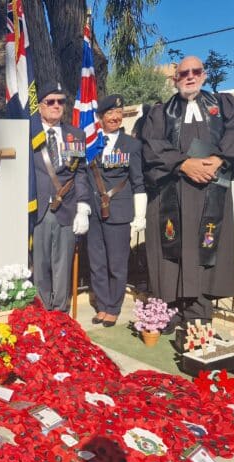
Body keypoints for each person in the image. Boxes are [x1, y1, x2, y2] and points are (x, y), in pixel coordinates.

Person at [141, 56, 234, 336]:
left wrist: (218, 160)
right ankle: (172, 310)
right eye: (183, 73)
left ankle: (200, 313)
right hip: (174, 191)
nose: (190, 77)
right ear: (175, 79)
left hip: (211, 192)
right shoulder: (160, 112)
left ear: (204, 76)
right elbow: (152, 148)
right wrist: (182, 164)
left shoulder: (223, 106)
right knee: (173, 250)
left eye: (196, 72)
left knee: (205, 250)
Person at [87, 94, 146, 327]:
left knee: (117, 264)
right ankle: (101, 305)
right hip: (93, 211)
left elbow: (138, 180)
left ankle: (113, 307)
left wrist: (139, 214)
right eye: (110, 113)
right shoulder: (90, 143)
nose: (115, 117)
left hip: (119, 212)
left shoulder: (132, 145)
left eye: (118, 114)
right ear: (100, 117)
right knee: (97, 261)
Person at [32, 81, 91, 312]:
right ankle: (42, 313)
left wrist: (83, 207)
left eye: (61, 101)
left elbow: (80, 173)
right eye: (51, 102)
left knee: (63, 265)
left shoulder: (76, 135)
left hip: (67, 208)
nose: (57, 106)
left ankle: (60, 314)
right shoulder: (31, 133)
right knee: (41, 265)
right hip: (39, 209)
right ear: (40, 106)